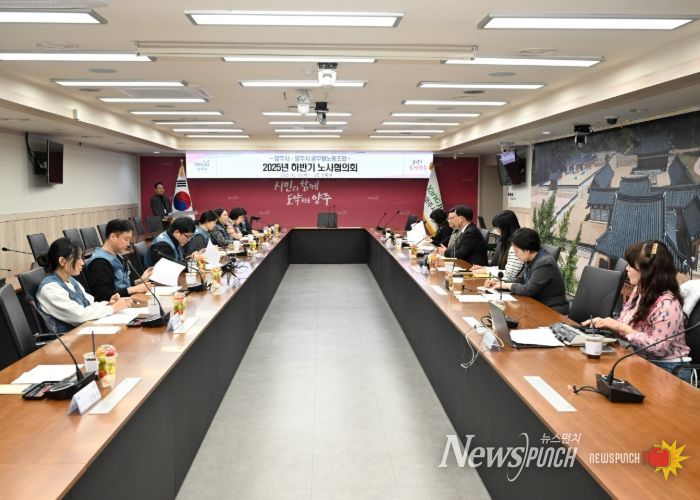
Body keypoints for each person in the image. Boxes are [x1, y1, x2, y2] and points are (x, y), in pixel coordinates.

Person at [583, 240, 691, 380]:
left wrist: (622, 328)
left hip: (669, 370)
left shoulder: (668, 304)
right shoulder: (639, 291)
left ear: (647, 271)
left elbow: (660, 349)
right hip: (644, 362)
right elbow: (626, 329)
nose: (626, 269)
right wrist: (607, 324)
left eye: (631, 265)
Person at [36, 238, 130, 333]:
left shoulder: (71, 280)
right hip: (67, 339)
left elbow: (90, 304)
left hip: (84, 332)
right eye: (78, 258)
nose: (82, 263)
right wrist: (112, 308)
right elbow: (79, 315)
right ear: (62, 261)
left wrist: (109, 303)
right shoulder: (50, 289)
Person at [486, 228, 569, 314]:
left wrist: (508, 285)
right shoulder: (531, 258)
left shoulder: (545, 263)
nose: (515, 255)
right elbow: (520, 280)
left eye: (516, 251)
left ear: (527, 250)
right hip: (535, 304)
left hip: (552, 310)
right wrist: (500, 283)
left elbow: (529, 290)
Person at [85, 218, 154, 301]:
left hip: (125, 301)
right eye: (126, 239)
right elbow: (103, 295)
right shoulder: (100, 263)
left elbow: (121, 286)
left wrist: (139, 281)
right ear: (113, 237)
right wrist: (135, 289)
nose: (128, 244)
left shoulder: (116, 256)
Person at [471, 210, 524, 282]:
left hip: (508, 285)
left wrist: (485, 271)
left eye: (497, 227)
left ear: (505, 228)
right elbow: (502, 269)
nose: (496, 230)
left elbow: (509, 276)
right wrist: (485, 268)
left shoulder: (515, 246)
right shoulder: (507, 242)